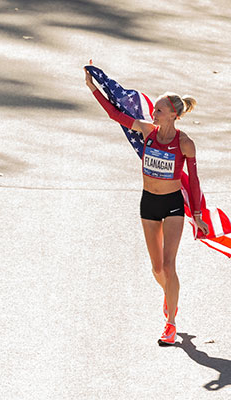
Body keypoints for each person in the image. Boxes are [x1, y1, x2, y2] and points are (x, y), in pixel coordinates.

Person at [84, 64, 209, 346]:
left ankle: (171, 324)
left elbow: (195, 180)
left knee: (169, 263)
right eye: (154, 110)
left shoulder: (185, 143)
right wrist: (93, 88)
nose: (153, 113)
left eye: (159, 110)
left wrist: (198, 215)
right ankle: (170, 295)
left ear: (174, 115)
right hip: (149, 203)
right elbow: (114, 114)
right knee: (156, 270)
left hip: (173, 204)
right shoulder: (146, 131)